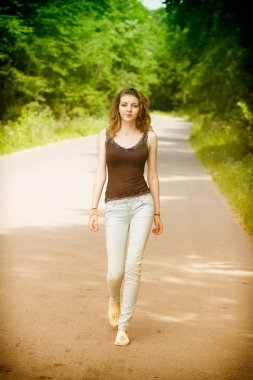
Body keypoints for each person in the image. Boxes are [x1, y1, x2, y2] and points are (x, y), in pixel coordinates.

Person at [89, 87, 163, 346]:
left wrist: (156, 211)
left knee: (134, 266)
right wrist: (94, 208)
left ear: (140, 108)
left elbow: (152, 175)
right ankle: (114, 298)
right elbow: (100, 174)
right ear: (117, 107)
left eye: (134, 105)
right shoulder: (105, 136)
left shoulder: (150, 137)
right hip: (116, 208)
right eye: (124, 104)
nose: (129, 109)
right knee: (115, 272)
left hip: (142, 203)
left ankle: (124, 326)